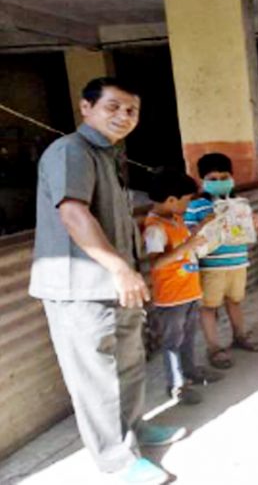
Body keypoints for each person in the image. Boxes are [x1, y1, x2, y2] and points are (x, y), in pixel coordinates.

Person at [28, 77, 182, 484]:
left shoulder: (109, 155)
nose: (124, 116)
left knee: (129, 364)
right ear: (86, 108)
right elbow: (74, 214)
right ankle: (116, 460)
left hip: (117, 283)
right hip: (80, 286)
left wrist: (125, 272)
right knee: (95, 377)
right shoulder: (70, 151)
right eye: (113, 107)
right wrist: (119, 269)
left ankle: (135, 429)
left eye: (131, 110)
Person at [143, 169, 223, 405]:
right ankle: (176, 385)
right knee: (172, 342)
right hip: (171, 297)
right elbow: (157, 263)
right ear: (171, 200)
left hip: (188, 291)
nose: (189, 205)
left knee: (188, 336)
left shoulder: (175, 218)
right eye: (187, 200)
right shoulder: (154, 228)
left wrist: (200, 228)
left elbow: (185, 242)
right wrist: (187, 246)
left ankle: (191, 371)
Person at [184, 153, 258, 369]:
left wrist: (254, 224)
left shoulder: (240, 204)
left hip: (238, 262)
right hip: (211, 266)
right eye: (213, 178)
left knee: (235, 301)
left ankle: (240, 336)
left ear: (232, 177)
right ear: (202, 180)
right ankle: (214, 348)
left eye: (224, 177)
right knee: (209, 307)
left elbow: (245, 232)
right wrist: (203, 224)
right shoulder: (196, 206)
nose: (219, 182)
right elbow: (186, 235)